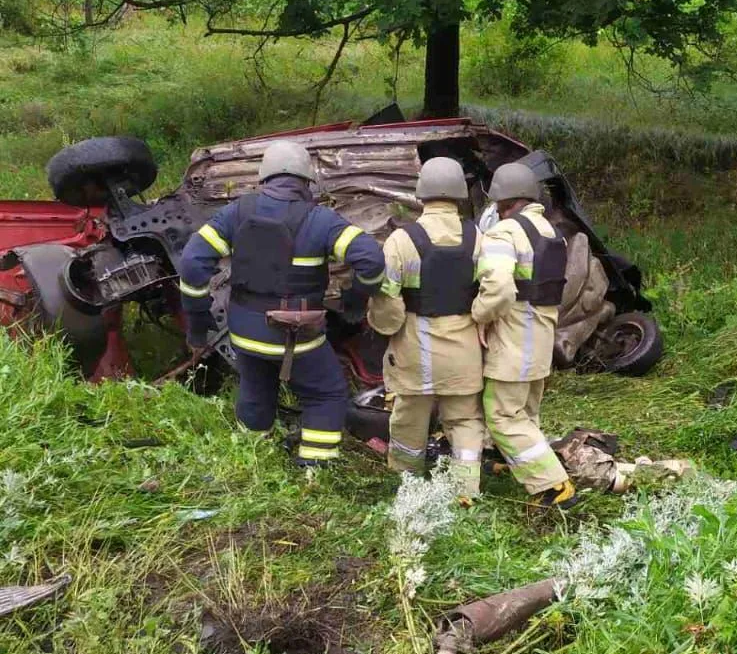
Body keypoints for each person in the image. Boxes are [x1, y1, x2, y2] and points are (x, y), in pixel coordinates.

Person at [178, 138, 384, 467]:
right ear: (307, 181)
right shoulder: (320, 219)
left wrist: (197, 330)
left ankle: (253, 459)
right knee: (326, 393)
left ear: (265, 177)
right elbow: (371, 260)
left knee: (256, 387)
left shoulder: (237, 212)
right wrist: (356, 302)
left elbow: (191, 262)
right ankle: (313, 470)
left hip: (244, 333)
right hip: (296, 336)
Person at [367, 156, 485, 499]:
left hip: (415, 346)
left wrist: (387, 326)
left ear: (421, 193)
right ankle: (466, 489)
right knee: (464, 421)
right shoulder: (478, 237)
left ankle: (407, 481)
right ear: (460, 193)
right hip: (463, 346)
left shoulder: (402, 240)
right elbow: (494, 288)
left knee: (409, 418)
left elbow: (386, 298)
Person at [472, 162, 576, 507]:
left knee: (501, 414)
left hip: (514, 339)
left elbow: (499, 288)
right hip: (541, 338)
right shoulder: (549, 230)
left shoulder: (505, 233)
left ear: (500, 199)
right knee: (525, 414)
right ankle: (515, 463)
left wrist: (479, 316)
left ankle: (554, 486)